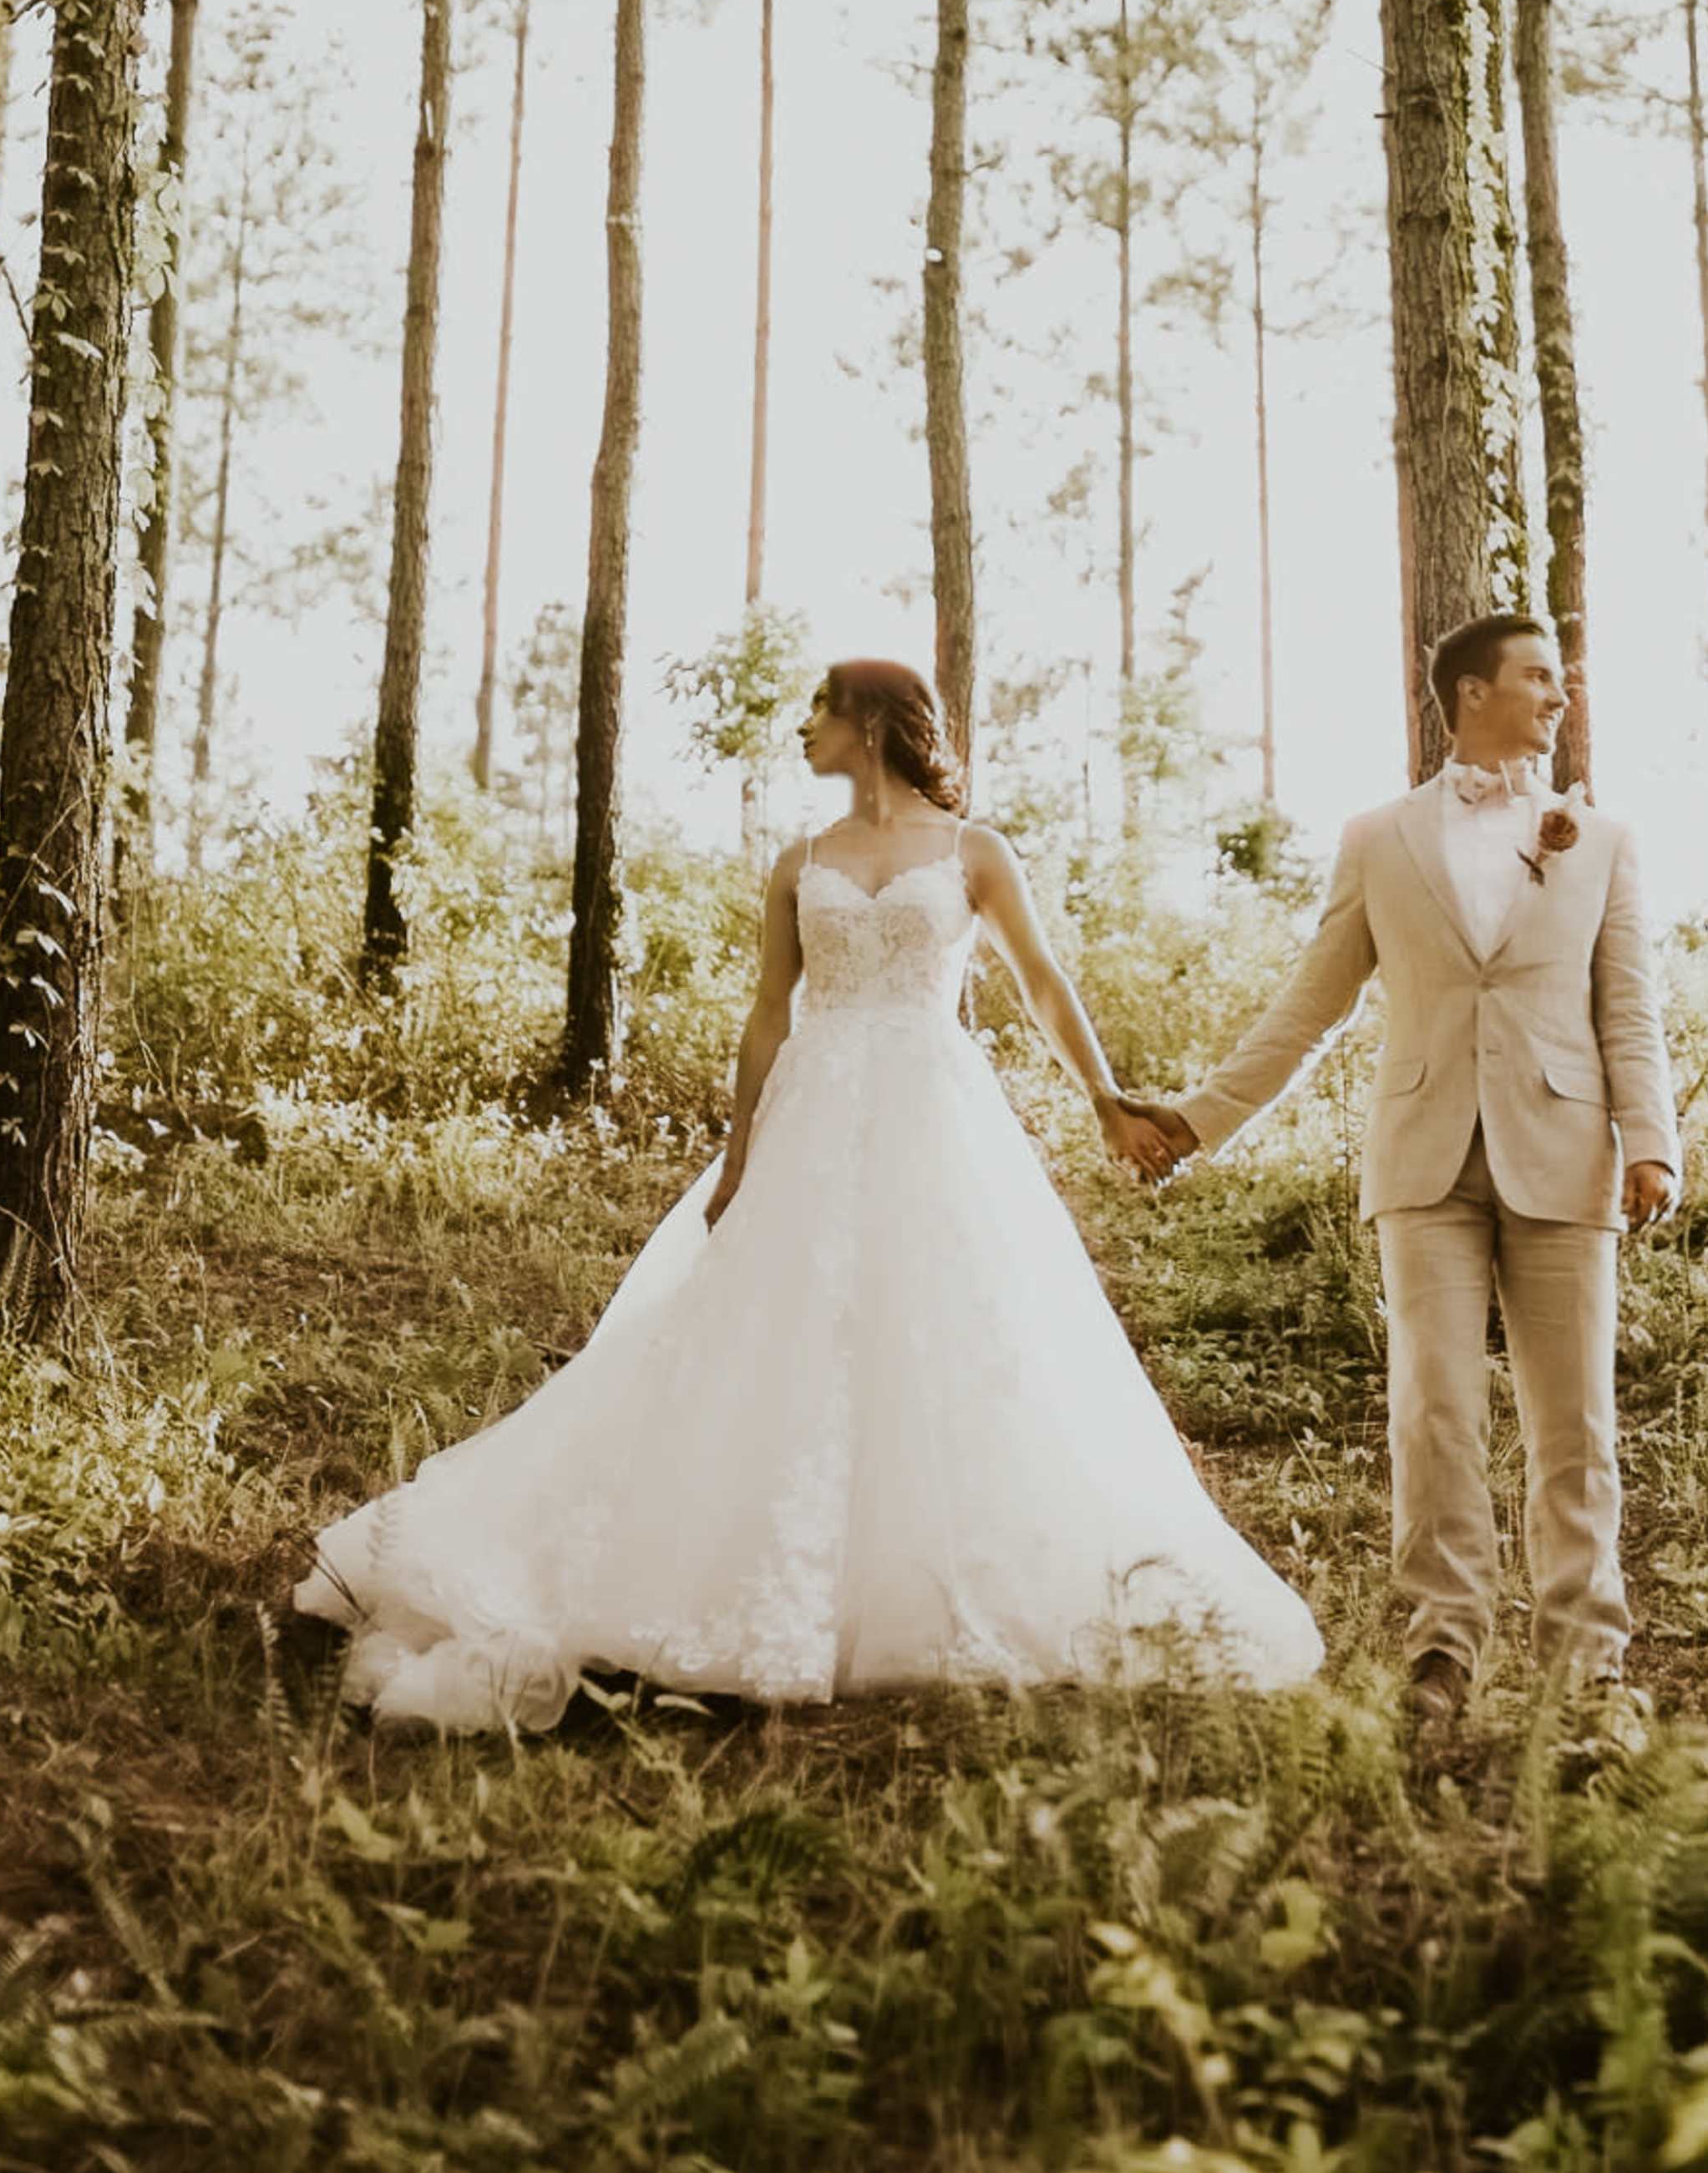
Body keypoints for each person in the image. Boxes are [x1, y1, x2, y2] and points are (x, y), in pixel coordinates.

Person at [297, 657, 1320, 1725]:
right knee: (767, 1335)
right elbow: (767, 1015)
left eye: (820, 713)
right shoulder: (801, 861)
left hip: (936, 1111)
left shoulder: (975, 853)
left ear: (871, 725)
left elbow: (1041, 983)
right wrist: (740, 1154)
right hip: (814, 1116)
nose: (803, 731)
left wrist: (1107, 1100)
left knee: (955, 1328)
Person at [1119, 616, 1677, 1735]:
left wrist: (1650, 1137)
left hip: (1566, 1153)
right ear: (1471, 691)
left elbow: (1627, 1001)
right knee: (1434, 1413)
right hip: (1424, 1159)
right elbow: (1311, 1004)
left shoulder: (1601, 839)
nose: (1555, 696)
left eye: (1559, 681)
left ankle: (1589, 1664)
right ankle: (1441, 1647)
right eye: (1534, 677)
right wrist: (1195, 1119)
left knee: (1577, 1423)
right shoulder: (1378, 838)